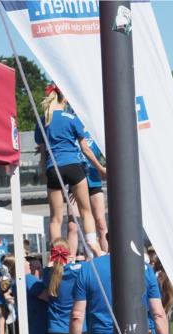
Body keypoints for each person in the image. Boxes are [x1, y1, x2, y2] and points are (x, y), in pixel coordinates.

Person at [35, 85, 106, 251]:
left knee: (55, 219)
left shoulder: (43, 119)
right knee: (85, 211)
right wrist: (100, 168)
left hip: (54, 168)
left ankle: (58, 256)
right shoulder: (71, 118)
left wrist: (44, 171)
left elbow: (44, 150)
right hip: (73, 166)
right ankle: (94, 247)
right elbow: (85, 149)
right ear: (64, 99)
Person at [82, 129, 109, 254]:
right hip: (76, 180)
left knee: (101, 222)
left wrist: (102, 168)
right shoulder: (71, 122)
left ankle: (107, 257)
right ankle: (64, 260)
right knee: (72, 224)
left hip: (94, 179)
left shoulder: (94, 128)